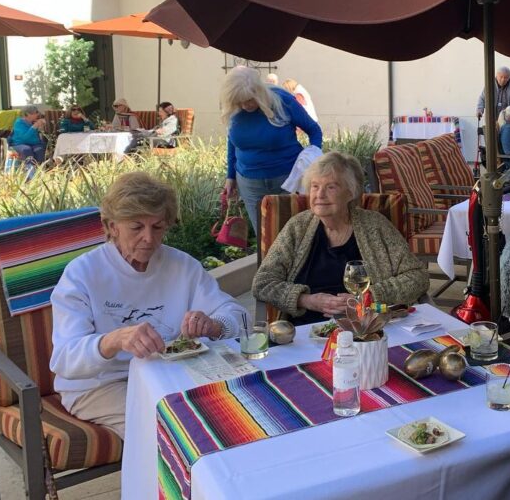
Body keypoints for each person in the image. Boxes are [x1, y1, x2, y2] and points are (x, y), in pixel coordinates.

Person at [49, 172, 245, 439]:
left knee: (234, 410)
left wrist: (213, 325)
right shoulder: (83, 273)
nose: (149, 239)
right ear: (112, 226)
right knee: (172, 429)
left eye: (157, 227)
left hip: (166, 374)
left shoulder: (181, 266)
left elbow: (239, 318)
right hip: (101, 385)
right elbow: (64, 359)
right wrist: (113, 340)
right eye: (136, 227)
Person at [253, 151, 429, 325]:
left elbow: (417, 277)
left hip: (367, 328)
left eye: (331, 187)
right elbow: (263, 282)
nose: (320, 195)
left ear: (350, 193)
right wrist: (306, 300)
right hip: (306, 334)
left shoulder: (376, 226)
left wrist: (369, 297)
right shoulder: (297, 227)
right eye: (315, 186)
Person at [223, 67, 323, 235]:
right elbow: (233, 143)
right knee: (264, 236)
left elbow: (314, 130)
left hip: (288, 179)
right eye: (240, 102)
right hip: (249, 183)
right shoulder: (235, 107)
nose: (245, 105)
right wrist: (230, 176)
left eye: (249, 100)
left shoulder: (282, 100)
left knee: (296, 234)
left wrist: (313, 160)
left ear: (259, 91)